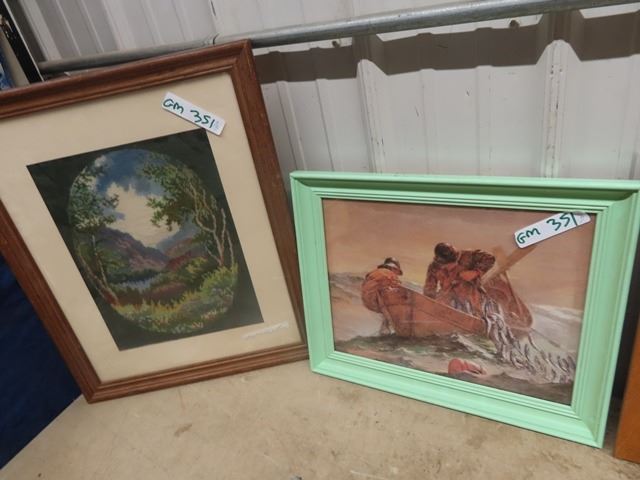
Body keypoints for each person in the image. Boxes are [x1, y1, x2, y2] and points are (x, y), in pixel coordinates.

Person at [361, 257, 403, 334]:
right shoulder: (390, 274)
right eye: (397, 270)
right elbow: (397, 287)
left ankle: (384, 328)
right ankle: (387, 328)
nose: (397, 273)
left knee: (386, 310)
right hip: (381, 296)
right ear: (393, 268)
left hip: (367, 299)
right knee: (392, 305)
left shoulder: (374, 272)